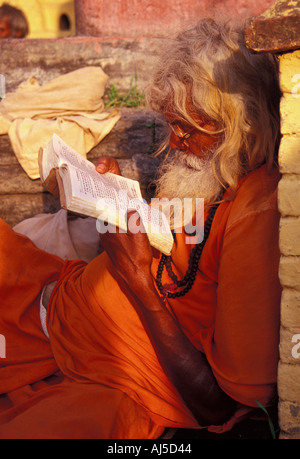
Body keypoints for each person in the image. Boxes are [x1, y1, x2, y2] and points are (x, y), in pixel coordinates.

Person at [0, 18, 282, 439]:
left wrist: (136, 280)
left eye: (189, 128)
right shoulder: (211, 172)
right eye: (171, 124)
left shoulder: (255, 218)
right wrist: (112, 200)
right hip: (54, 298)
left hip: (112, 381)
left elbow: (221, 404)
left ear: (243, 125)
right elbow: (170, 250)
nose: (173, 142)